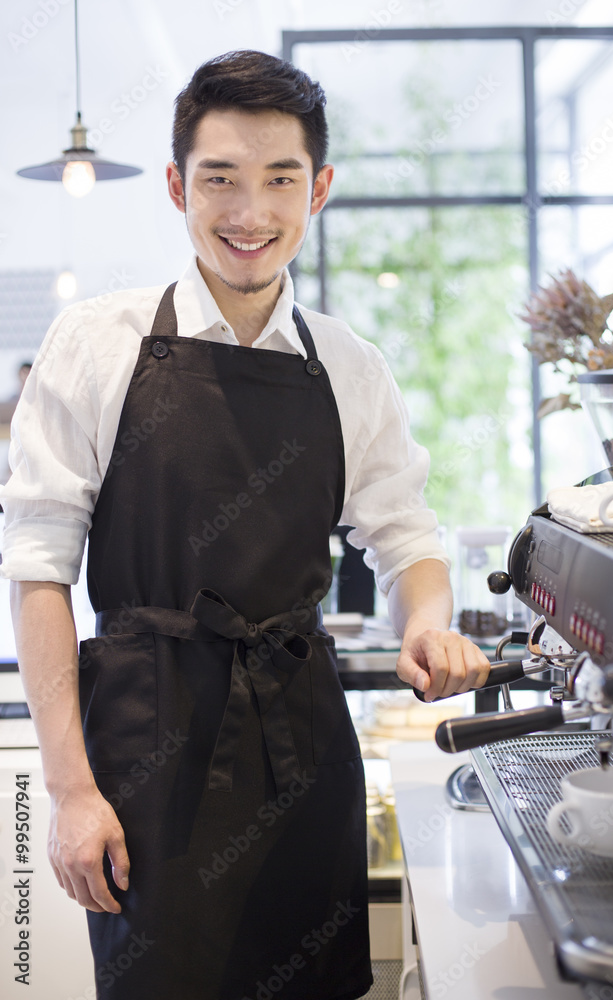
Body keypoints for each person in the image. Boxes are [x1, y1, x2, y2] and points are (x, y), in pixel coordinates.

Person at [1, 50, 490, 1000]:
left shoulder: (347, 364)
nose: (250, 212)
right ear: (180, 184)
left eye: (281, 179)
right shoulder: (99, 343)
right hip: (143, 756)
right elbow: (38, 569)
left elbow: (407, 536)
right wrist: (69, 791)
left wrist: (428, 621)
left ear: (321, 189)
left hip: (303, 751)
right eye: (220, 178)